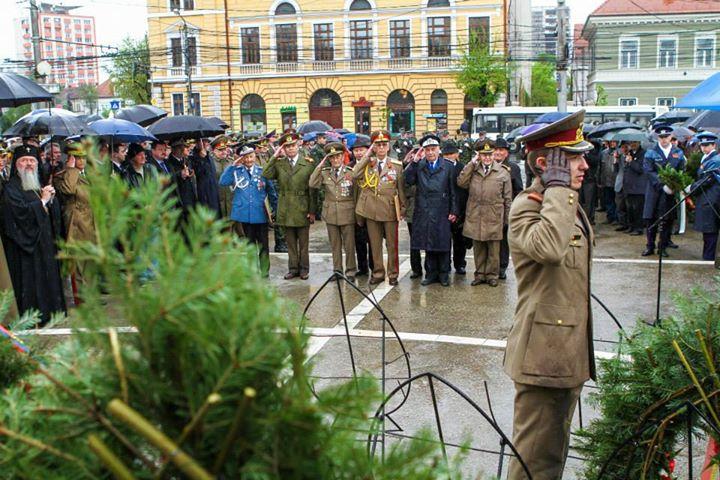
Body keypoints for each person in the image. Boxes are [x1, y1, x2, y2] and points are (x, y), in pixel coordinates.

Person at [504, 110, 595, 479]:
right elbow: (549, 250)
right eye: (574, 157)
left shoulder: (566, 205)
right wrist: (557, 188)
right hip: (542, 355)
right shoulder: (529, 206)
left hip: (564, 352)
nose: (585, 165)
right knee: (533, 462)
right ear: (546, 163)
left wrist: (561, 192)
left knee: (553, 453)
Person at [3, 145, 66, 325]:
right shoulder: (11, 188)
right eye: (24, 160)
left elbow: (49, 211)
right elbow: (17, 215)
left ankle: (50, 313)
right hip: (26, 250)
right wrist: (43, 202)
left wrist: (51, 200)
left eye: (32, 161)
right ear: (16, 165)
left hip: (44, 244)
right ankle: (32, 318)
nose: (29, 164)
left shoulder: (38, 184)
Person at [352, 130, 406, 286]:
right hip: (371, 210)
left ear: (388, 147)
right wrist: (367, 155)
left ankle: (393, 273)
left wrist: (402, 208)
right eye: (377, 145)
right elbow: (354, 174)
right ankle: (378, 272)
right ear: (373, 147)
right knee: (375, 244)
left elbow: (400, 188)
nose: (381, 148)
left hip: (389, 210)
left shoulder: (396, 166)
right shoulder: (368, 164)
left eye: (384, 145)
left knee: (392, 244)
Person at [404, 135, 458, 287]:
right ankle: (431, 273)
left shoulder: (447, 166)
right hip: (425, 209)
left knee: (443, 242)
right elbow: (408, 180)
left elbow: (453, 190)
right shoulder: (419, 165)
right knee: (428, 243)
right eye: (427, 150)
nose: (430, 153)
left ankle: (444, 273)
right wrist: (414, 163)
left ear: (439, 150)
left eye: (433, 149)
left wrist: (454, 210)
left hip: (442, 209)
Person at [262, 132, 317, 280]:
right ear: (283, 149)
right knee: (290, 243)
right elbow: (266, 174)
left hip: (302, 206)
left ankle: (304, 269)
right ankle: (293, 268)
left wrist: (312, 211)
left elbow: (313, 190)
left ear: (298, 145)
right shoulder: (280, 163)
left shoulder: (308, 163)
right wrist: (274, 156)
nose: (290, 149)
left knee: (304, 243)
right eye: (287, 147)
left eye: (292, 145)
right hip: (285, 208)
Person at [457, 140, 512, 287]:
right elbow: (461, 182)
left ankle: (492, 275)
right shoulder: (473, 171)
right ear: (479, 156)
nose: (487, 158)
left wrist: (507, 220)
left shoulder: (503, 172)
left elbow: (508, 198)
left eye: (489, 155)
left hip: (494, 215)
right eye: (483, 155)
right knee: (479, 247)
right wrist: (471, 163)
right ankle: (480, 274)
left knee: (494, 249)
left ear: (493, 155)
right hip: (476, 214)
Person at [219, 145, 277, 276]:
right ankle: (251, 270)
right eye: (246, 157)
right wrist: (233, 165)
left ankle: (264, 271)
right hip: (245, 214)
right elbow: (223, 182)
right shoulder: (236, 171)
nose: (249, 160)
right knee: (249, 244)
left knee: (263, 245)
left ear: (255, 157)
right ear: (241, 159)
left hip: (260, 213)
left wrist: (275, 210)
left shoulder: (262, 171)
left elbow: (271, 192)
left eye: (251, 156)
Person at [309, 142, 357, 280]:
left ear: (343, 157)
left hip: (347, 213)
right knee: (335, 245)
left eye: (338, 157)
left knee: (349, 245)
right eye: (332, 157)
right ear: (329, 159)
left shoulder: (350, 172)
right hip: (331, 214)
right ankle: (337, 270)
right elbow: (312, 183)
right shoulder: (325, 173)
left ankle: (351, 271)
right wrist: (320, 165)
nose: (335, 160)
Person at [53, 142, 95, 287]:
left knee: (90, 260)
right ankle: (81, 297)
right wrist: (71, 169)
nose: (82, 161)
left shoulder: (89, 174)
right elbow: (68, 190)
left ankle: (90, 293)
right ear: (70, 158)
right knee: (78, 262)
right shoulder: (62, 176)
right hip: (76, 223)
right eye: (77, 158)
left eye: (84, 157)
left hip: (91, 222)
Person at [643, 125, 686, 257]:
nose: (664, 139)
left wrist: (675, 186)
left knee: (667, 219)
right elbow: (648, 171)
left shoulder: (678, 152)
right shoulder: (651, 152)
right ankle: (650, 245)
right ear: (657, 137)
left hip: (670, 193)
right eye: (661, 137)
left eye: (666, 136)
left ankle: (663, 246)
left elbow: (681, 171)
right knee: (651, 219)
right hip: (654, 191)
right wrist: (662, 185)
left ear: (671, 136)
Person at [494, 138, 523, 280]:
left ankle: (502, 267)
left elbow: (518, 191)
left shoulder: (513, 168)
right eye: (496, 150)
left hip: (505, 210)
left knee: (503, 241)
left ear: (506, 153)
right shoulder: (487, 165)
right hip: (490, 211)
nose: (498, 153)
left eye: (501, 150)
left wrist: (515, 210)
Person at [690, 131, 720, 261]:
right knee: (708, 232)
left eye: (707, 145)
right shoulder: (707, 158)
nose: (704, 148)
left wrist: (691, 188)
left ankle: (708, 259)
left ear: (714, 145)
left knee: (710, 231)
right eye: (702, 145)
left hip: (711, 199)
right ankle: (708, 257)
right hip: (707, 198)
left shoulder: (715, 160)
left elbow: (707, 180)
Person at [349, 134, 373, 277]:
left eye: (361, 150)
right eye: (356, 150)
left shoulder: (371, 165)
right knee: (358, 240)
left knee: (372, 239)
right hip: (354, 208)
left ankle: (374, 266)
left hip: (370, 207)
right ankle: (362, 267)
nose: (358, 152)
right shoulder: (349, 167)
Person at [443, 141, 468, 275]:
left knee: (460, 241)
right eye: (446, 154)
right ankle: (445, 264)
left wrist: (462, 210)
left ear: (457, 154)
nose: (449, 156)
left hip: (461, 208)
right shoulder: (440, 167)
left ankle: (460, 264)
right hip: (445, 209)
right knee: (445, 240)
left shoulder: (462, 167)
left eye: (451, 154)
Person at [167, 139, 198, 217]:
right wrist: (179, 174)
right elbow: (169, 178)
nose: (182, 150)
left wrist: (191, 172)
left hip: (191, 198)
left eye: (183, 147)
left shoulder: (185, 160)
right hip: (180, 201)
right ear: (173, 149)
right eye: (179, 148)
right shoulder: (169, 163)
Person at [191, 137, 221, 217]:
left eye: (206, 142)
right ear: (197, 143)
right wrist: (201, 159)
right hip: (204, 194)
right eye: (203, 142)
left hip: (213, 191)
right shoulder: (193, 157)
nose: (205, 144)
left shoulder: (208, 155)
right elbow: (199, 173)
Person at [622, 141, 647, 237]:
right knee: (630, 209)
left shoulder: (643, 154)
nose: (632, 144)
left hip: (638, 187)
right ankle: (631, 226)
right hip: (629, 186)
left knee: (638, 209)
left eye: (634, 142)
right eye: (631, 143)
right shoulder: (630, 153)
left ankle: (638, 228)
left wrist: (631, 161)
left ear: (639, 142)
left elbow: (640, 169)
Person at [210, 136, 234, 220]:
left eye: (225, 149)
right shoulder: (210, 163)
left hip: (231, 199)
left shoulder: (231, 162)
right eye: (220, 150)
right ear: (213, 151)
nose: (223, 152)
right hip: (217, 199)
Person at [598, 140, 618, 224]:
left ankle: (616, 218)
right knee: (608, 200)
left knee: (616, 201)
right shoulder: (603, 153)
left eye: (614, 142)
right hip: (606, 180)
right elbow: (600, 167)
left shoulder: (619, 153)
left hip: (616, 181)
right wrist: (599, 179)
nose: (613, 143)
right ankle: (609, 217)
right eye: (611, 142)